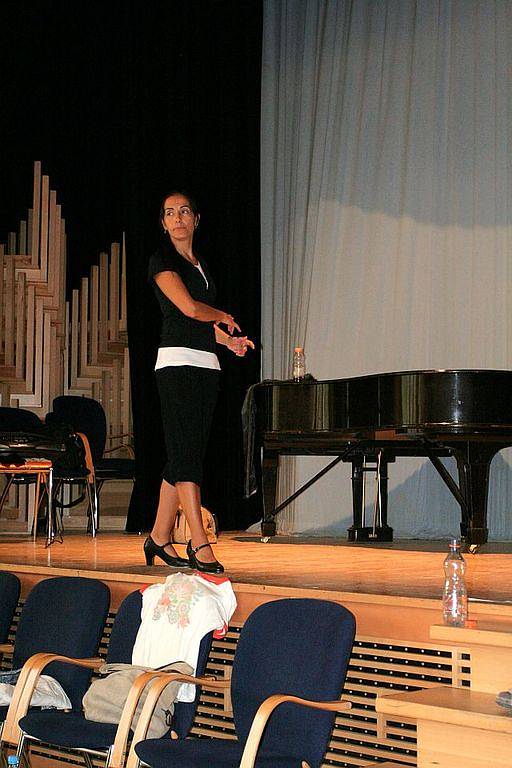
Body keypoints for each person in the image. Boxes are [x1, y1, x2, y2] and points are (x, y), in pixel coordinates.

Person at [144, 190, 254, 574]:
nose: (177, 218)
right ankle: (198, 541)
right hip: (176, 366)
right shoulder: (162, 261)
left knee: (182, 456)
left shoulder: (202, 263)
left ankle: (158, 538)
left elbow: (202, 326)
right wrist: (222, 315)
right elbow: (189, 310)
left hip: (206, 366)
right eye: (170, 213)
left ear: (196, 219)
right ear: (163, 223)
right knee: (187, 458)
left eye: (184, 211)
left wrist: (230, 342)